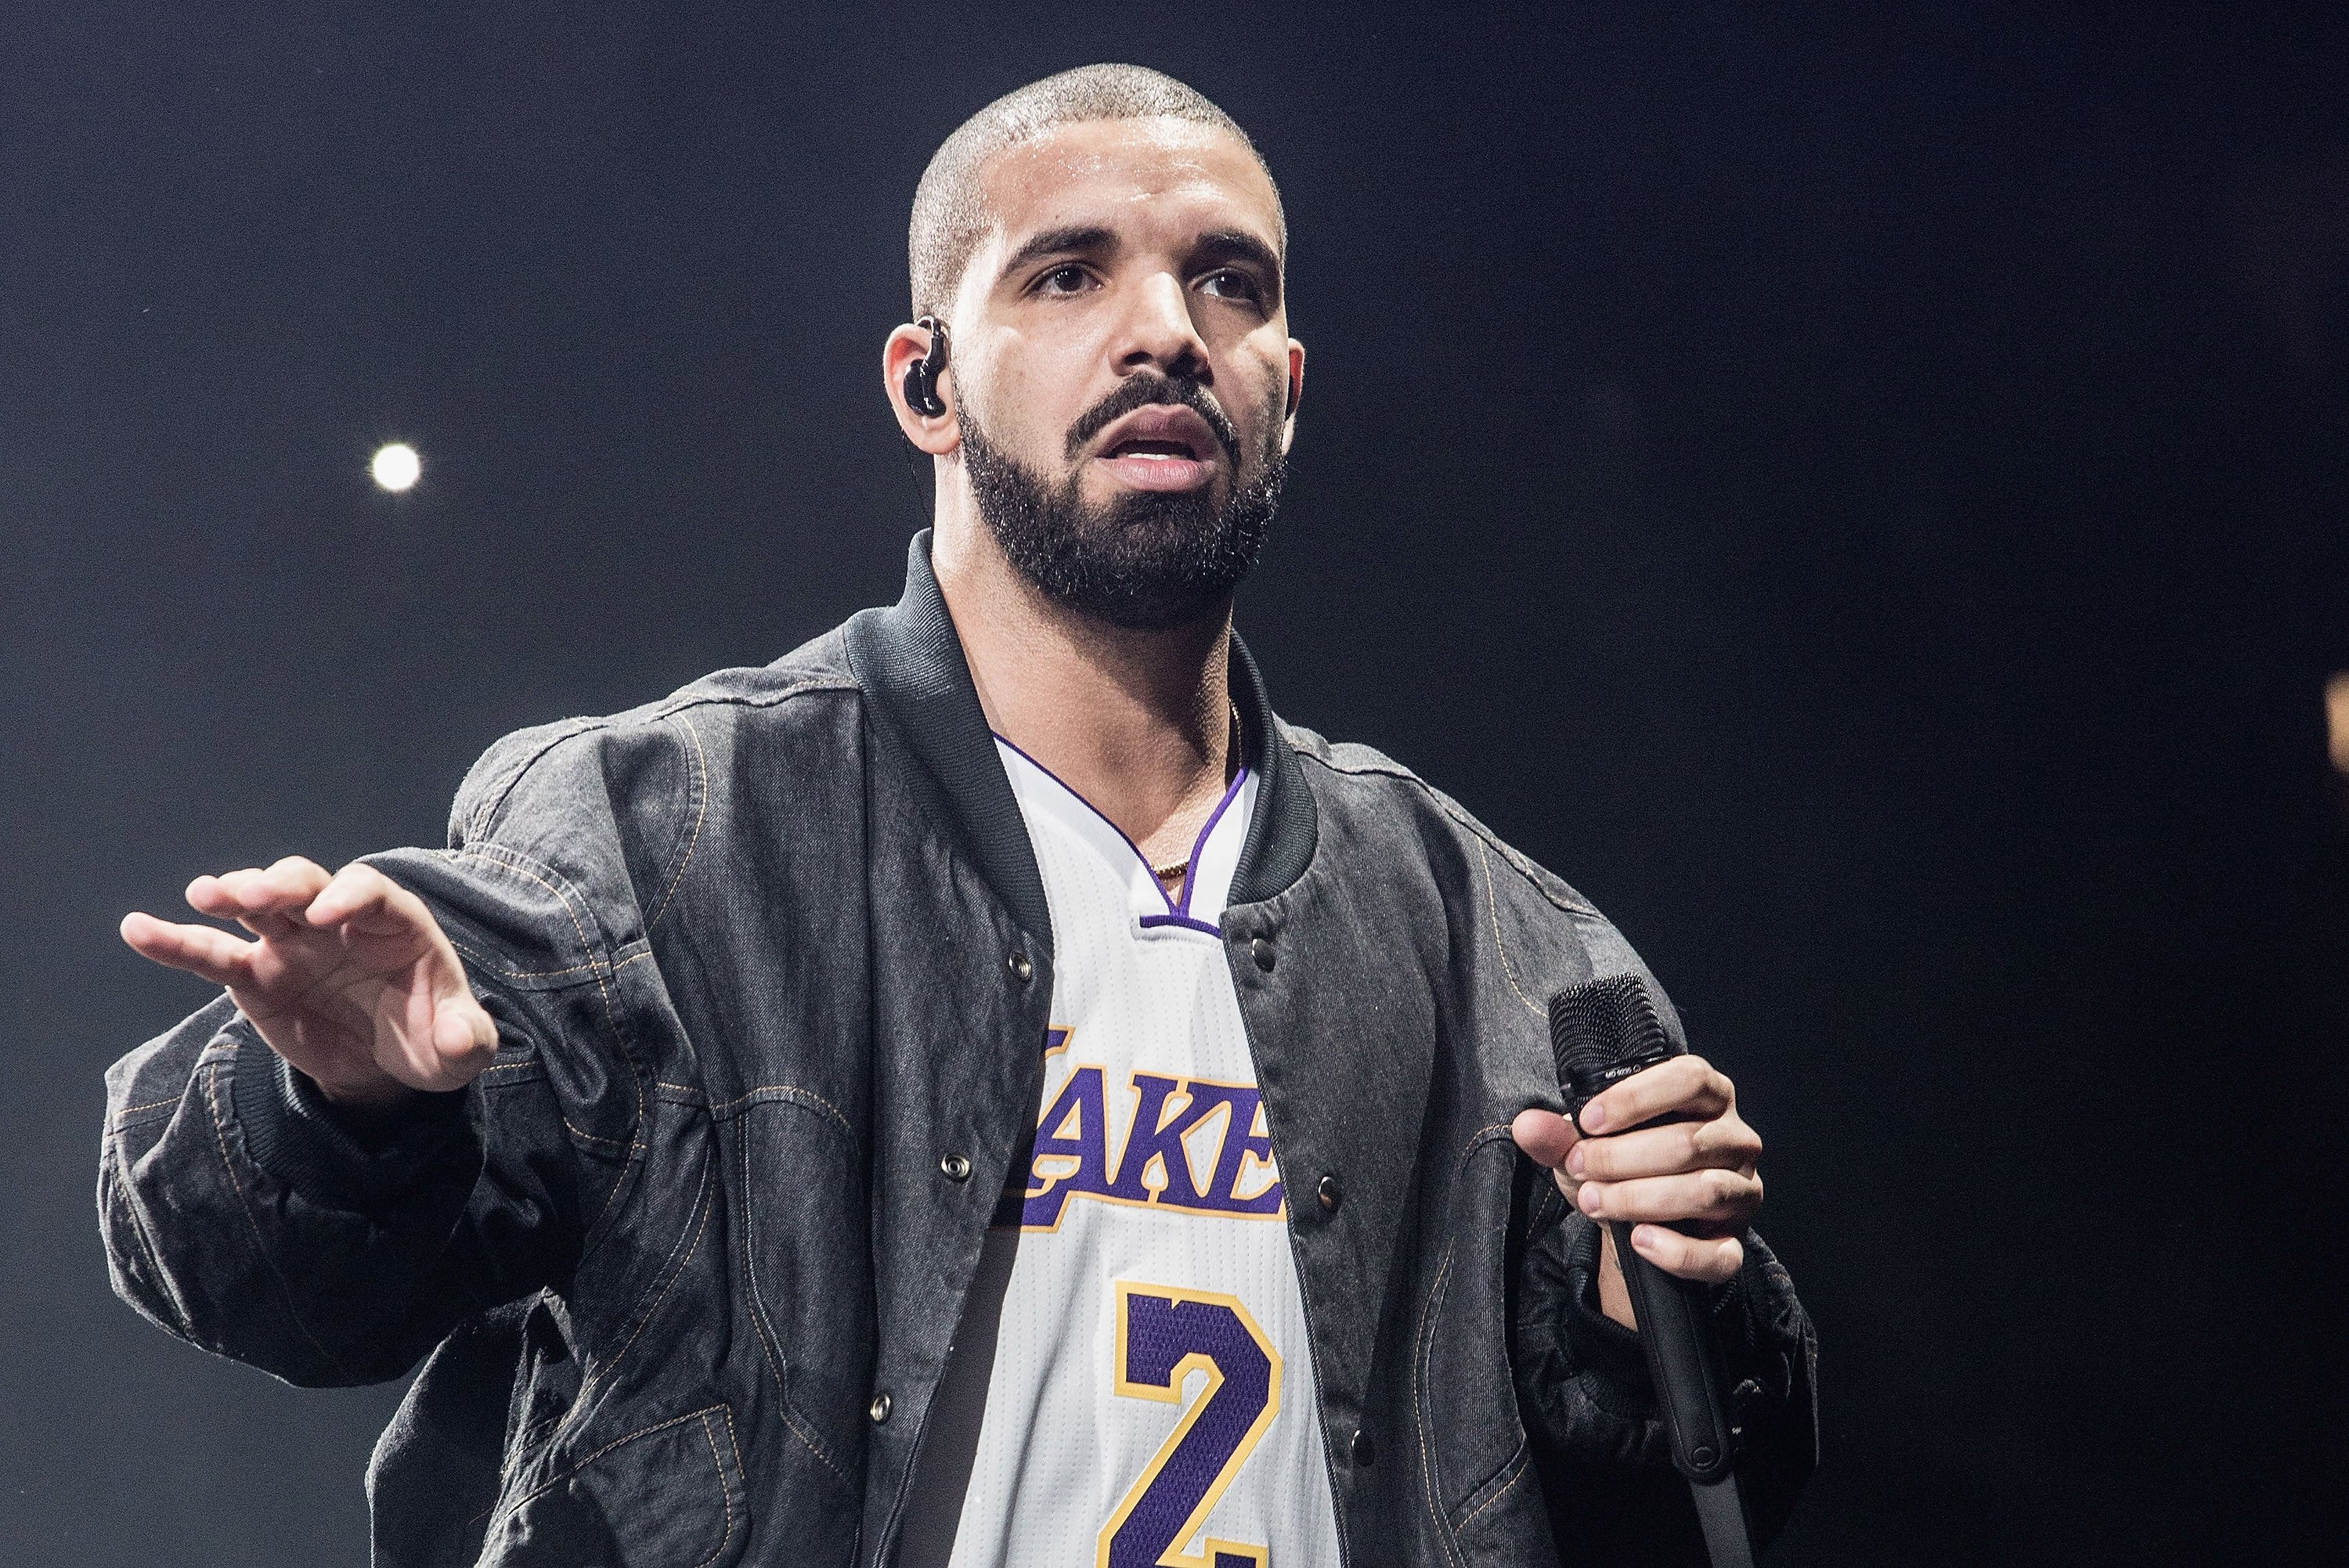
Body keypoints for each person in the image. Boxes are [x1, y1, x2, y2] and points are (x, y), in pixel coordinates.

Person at [102, 64, 1815, 1568]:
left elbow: (1663, 1495)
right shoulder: (666, 829)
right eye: (1069, 273)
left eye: (1229, 286)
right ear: (926, 383)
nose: (1166, 329)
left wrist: (1664, 1308)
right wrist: (343, 1112)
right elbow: (263, 1282)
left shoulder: (1498, 937)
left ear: (1289, 384)